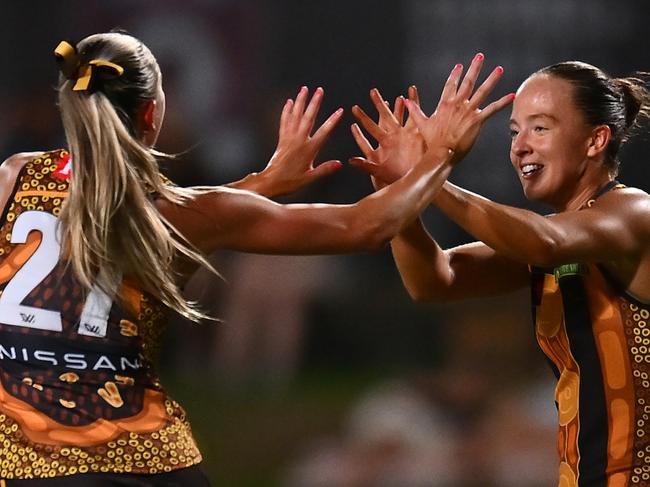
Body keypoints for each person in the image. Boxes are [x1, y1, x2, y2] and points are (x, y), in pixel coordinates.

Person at [0, 33, 511, 485]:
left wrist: (260, 187)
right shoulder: (184, 211)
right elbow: (368, 224)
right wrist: (439, 155)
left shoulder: (15, 178)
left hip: (20, 461)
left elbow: (135, 223)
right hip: (132, 460)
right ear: (153, 114)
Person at [350, 57, 650, 486]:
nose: (520, 145)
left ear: (595, 139)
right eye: (514, 132)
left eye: (540, 128)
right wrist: (401, 194)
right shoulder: (552, 237)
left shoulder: (634, 212)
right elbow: (435, 280)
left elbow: (543, 242)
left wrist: (429, 171)